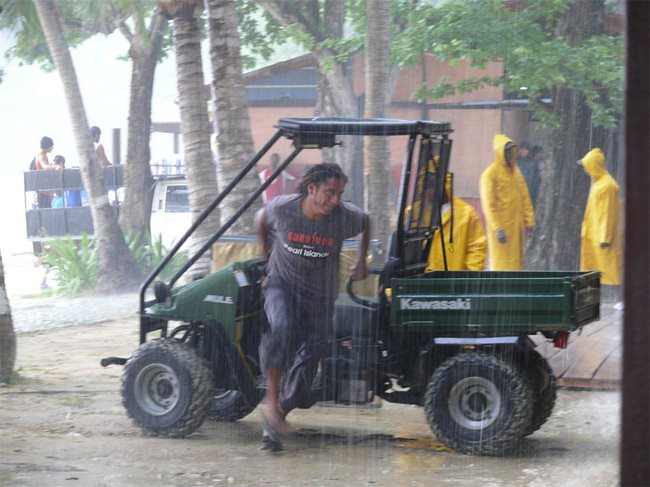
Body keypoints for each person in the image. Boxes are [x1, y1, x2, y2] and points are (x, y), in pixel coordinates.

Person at [256, 162, 370, 451]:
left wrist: (361, 262)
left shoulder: (344, 218)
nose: (335, 201)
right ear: (311, 189)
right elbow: (261, 219)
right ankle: (271, 404)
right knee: (281, 328)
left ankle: (277, 417)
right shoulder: (284, 209)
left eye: (339, 194)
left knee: (310, 358)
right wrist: (265, 257)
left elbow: (367, 222)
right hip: (282, 284)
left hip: (319, 296)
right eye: (330, 193)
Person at [479, 134, 535, 270]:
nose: (511, 155)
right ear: (500, 153)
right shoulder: (490, 174)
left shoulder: (517, 173)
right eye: (507, 152)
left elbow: (525, 198)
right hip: (502, 231)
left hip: (517, 229)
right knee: (501, 267)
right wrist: (497, 228)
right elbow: (488, 205)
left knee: (516, 266)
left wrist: (529, 222)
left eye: (512, 151)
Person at [577, 148, 622, 304]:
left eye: (585, 165)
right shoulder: (599, 182)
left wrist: (605, 237)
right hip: (593, 233)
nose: (584, 168)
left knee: (611, 268)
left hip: (602, 236)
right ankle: (592, 299)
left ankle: (620, 299)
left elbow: (608, 213)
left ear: (592, 165)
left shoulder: (607, 185)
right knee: (595, 268)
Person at [426, 173, 487, 271]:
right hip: (422, 284)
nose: (430, 192)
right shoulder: (414, 216)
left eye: (433, 186)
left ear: (444, 185)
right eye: (427, 186)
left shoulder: (466, 215)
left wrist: (466, 280)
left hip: (454, 283)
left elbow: (477, 248)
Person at [34, 136, 62, 208]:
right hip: (43, 190)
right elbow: (45, 166)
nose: (52, 148)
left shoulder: (42, 155)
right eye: (51, 146)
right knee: (45, 212)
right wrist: (56, 166)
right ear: (48, 146)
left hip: (45, 189)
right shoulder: (42, 156)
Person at [518, 142, 542, 209]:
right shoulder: (517, 162)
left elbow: (532, 182)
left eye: (525, 149)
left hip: (529, 194)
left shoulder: (533, 163)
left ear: (528, 151)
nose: (523, 151)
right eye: (521, 149)